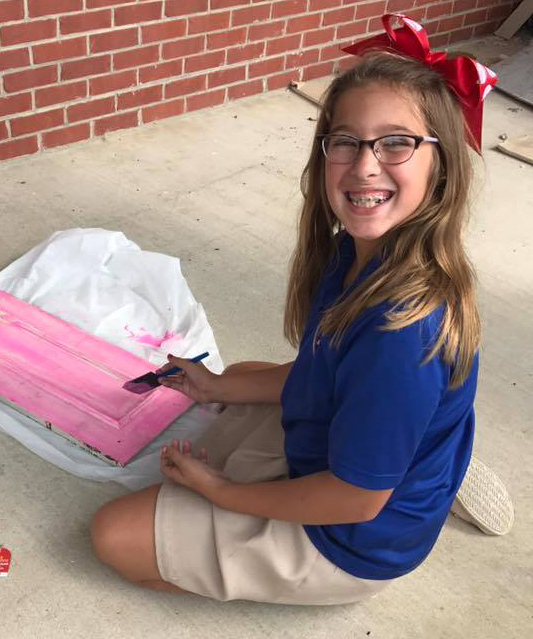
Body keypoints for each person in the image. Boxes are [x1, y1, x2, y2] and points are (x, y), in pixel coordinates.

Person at [90, 14, 508, 604]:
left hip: (352, 540)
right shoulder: (353, 251)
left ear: (441, 167)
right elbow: (319, 373)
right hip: (356, 462)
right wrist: (214, 386)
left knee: (113, 534)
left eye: (397, 142)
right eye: (346, 141)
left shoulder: (402, 333)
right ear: (323, 154)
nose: (365, 164)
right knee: (236, 380)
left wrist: (220, 493)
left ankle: (411, 463)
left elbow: (353, 500)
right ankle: (419, 452)